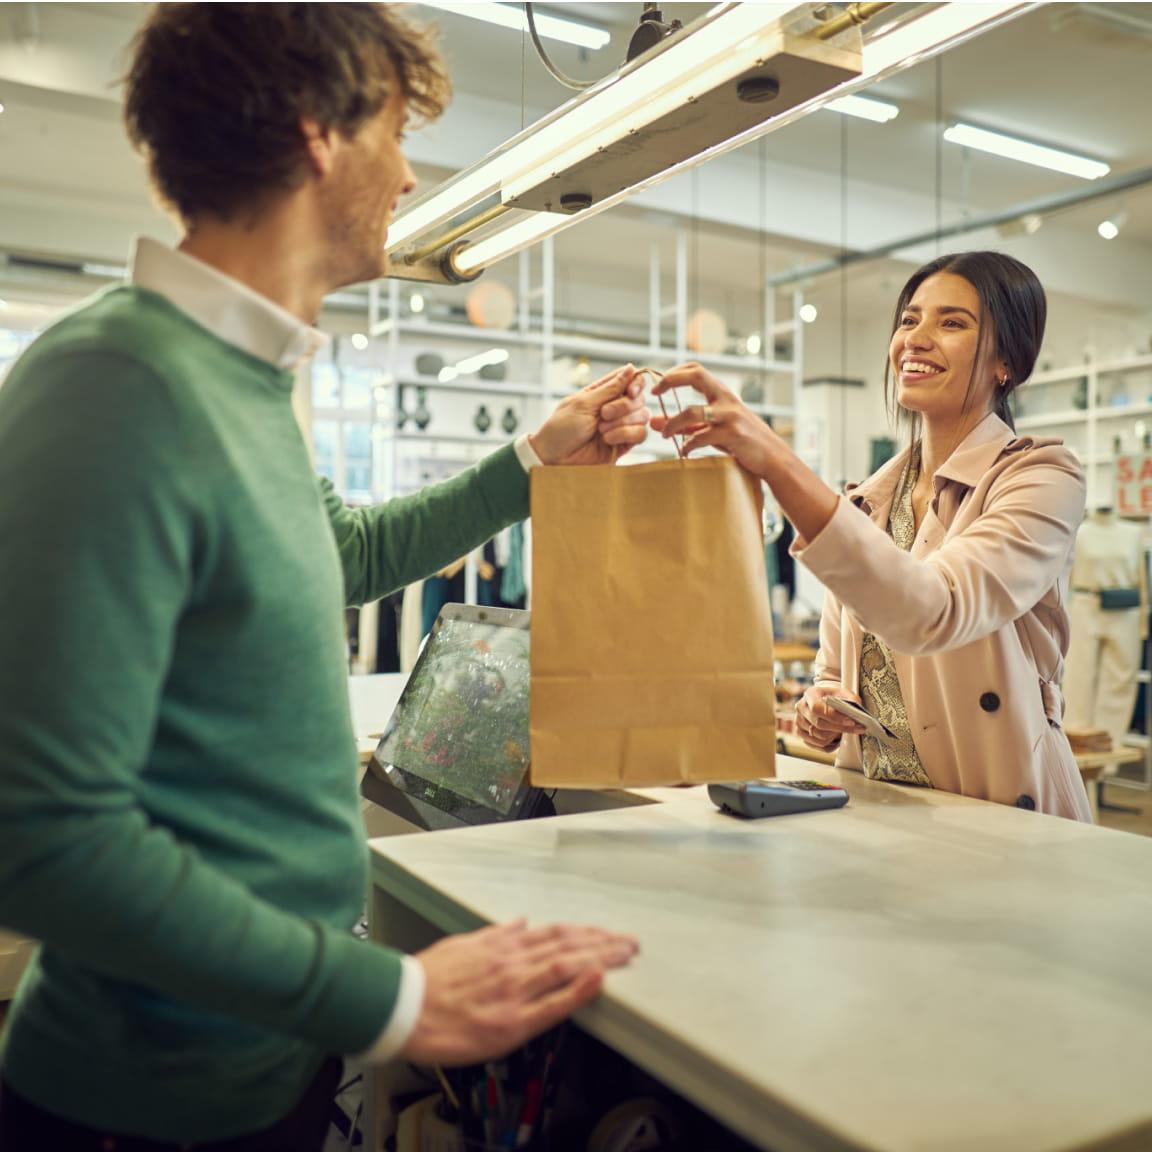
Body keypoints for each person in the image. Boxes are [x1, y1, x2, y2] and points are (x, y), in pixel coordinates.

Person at [0, 5, 648, 1150]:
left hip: (259, 1064)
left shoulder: (242, 383)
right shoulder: (114, 385)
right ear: (318, 134)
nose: (407, 172)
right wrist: (395, 999)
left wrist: (535, 460)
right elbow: (39, 838)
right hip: (138, 1106)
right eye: (395, 130)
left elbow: (339, 558)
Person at [649, 251, 1092, 822]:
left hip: (1003, 816)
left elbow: (937, 609)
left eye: (952, 323)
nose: (917, 338)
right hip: (884, 814)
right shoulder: (867, 504)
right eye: (909, 320)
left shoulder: (1042, 477)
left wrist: (778, 462)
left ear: (1006, 360)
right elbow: (833, 674)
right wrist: (821, 710)